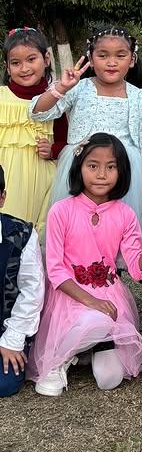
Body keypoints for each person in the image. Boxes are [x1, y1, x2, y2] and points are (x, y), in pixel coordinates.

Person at [28, 133, 142, 396]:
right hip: (69, 294)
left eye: (111, 167)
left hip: (109, 294)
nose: (102, 174)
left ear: (121, 171)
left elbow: (137, 270)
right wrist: (91, 301)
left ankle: (88, 347)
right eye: (93, 166)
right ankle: (58, 360)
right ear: (79, 168)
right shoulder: (61, 210)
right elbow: (55, 269)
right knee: (97, 320)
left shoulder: (125, 214)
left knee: (109, 379)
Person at [31, 27, 142, 240]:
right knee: (78, 230)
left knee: (115, 233)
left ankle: (111, 270)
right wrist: (62, 88)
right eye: (103, 55)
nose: (111, 62)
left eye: (120, 55)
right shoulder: (78, 89)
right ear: (91, 58)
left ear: (132, 59)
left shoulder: (139, 97)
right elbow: (38, 112)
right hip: (81, 168)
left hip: (124, 172)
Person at [1, 27, 67, 229]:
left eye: (31, 59)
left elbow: (66, 141)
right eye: (16, 63)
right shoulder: (2, 97)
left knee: (30, 234)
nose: (24, 68)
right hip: (4, 179)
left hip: (40, 181)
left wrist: (53, 150)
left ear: (46, 59)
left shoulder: (55, 101)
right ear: (7, 66)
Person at [0, 163, 45, 398]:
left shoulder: (22, 234)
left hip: (6, 324)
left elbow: (32, 289)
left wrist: (12, 339)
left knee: (4, 384)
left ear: (2, 198)